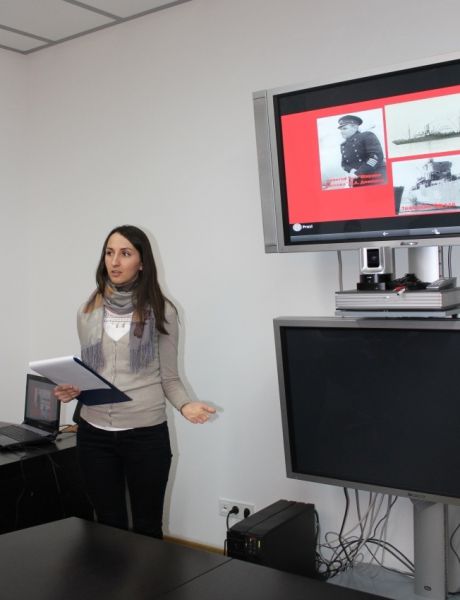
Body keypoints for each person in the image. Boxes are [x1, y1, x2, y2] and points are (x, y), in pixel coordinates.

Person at [54, 225, 215, 539]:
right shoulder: (88, 311)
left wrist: (185, 405)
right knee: (107, 525)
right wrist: (74, 389)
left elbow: (169, 377)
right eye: (109, 253)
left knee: (147, 528)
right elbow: (93, 373)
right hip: (93, 436)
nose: (114, 262)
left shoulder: (163, 311)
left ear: (141, 263)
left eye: (125, 253)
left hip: (145, 435)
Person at [338, 115, 386, 187]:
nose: (341, 132)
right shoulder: (343, 145)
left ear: (355, 127)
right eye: (340, 129)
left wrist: (358, 173)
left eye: (344, 128)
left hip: (375, 177)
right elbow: (344, 164)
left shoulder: (367, 136)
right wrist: (351, 170)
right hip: (357, 179)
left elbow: (375, 157)